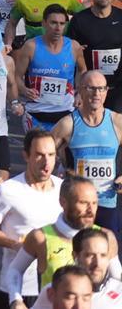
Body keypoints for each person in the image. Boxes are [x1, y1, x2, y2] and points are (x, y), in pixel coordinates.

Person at [4, 176, 121, 304]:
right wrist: (16, 300)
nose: (90, 210)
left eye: (94, 203)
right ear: (63, 202)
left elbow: (117, 280)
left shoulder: (105, 237)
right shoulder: (40, 237)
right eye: (83, 203)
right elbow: (15, 269)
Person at [0, 129, 64, 309]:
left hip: (53, 288)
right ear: (26, 156)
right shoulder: (8, 190)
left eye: (51, 155)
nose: (46, 161)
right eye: (39, 155)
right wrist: (16, 245)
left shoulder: (63, 189)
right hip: (17, 289)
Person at [51, 70, 122, 234]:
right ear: (81, 90)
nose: (97, 93)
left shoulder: (117, 121)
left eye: (101, 88)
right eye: (91, 88)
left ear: (106, 92)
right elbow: (44, 151)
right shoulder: (68, 124)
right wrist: (59, 171)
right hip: (77, 202)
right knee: (75, 252)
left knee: (106, 251)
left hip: (107, 202)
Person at [13, 4, 85, 131]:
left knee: (62, 151)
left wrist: (79, 92)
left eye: (62, 24)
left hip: (65, 111)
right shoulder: (31, 46)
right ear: (44, 23)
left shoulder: (74, 47)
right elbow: (17, 77)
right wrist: (24, 90)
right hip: (36, 112)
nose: (58, 28)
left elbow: (83, 70)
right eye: (53, 23)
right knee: (37, 150)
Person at [30, 228, 122, 309]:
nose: (97, 263)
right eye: (90, 255)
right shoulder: (55, 289)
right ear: (75, 256)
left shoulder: (118, 290)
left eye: (103, 255)